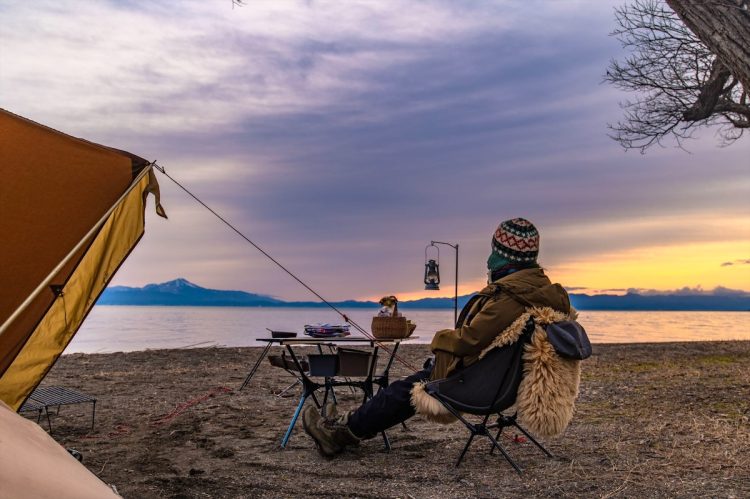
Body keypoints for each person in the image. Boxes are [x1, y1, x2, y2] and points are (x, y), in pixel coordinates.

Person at [302, 217, 575, 458]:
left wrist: (439, 338)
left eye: (494, 251)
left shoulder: (509, 298)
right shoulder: (544, 293)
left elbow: (468, 340)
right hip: (501, 383)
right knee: (419, 377)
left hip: (481, 387)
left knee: (405, 389)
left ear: (504, 256)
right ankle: (345, 424)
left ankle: (341, 434)